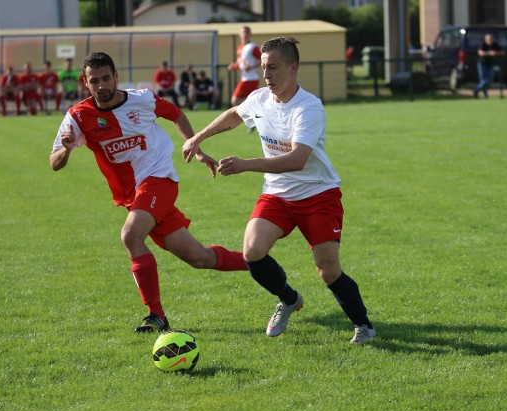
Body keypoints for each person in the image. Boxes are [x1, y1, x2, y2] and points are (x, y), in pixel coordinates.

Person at [183, 37, 376, 344]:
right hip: (278, 194)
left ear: (293, 67)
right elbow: (234, 114)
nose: (266, 75)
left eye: (273, 67)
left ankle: (364, 325)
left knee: (327, 270)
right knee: (252, 252)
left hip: (318, 195)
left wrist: (246, 164)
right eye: (263, 68)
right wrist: (198, 138)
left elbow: (298, 159)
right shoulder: (259, 99)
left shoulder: (309, 107)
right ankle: (288, 299)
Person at [49, 52, 248, 333]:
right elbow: (54, 163)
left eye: (107, 78)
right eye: (95, 81)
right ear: (86, 82)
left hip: (159, 179)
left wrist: (196, 147)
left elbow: (176, 114)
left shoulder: (142, 100)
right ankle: (258, 263)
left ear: (116, 76)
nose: (102, 85)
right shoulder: (78, 116)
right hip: (135, 197)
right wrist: (67, 150)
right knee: (199, 257)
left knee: (130, 235)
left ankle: (157, 316)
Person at [227, 26, 261, 107]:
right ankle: (252, 116)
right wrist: (234, 66)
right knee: (253, 102)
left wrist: (251, 66)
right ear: (240, 34)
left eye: (246, 32)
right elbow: (240, 62)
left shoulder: (253, 47)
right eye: (243, 32)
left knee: (234, 101)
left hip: (250, 79)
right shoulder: (240, 47)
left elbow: (261, 60)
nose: (244, 34)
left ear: (250, 34)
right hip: (245, 78)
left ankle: (245, 115)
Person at [473, 33, 504, 99]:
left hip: (490, 64)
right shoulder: (483, 44)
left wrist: (496, 52)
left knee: (489, 79)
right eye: (489, 39)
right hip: (482, 64)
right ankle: (485, 94)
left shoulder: (495, 45)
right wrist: (489, 53)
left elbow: (502, 52)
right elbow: (480, 53)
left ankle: (476, 90)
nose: (490, 40)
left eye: (491, 39)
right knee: (483, 80)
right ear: (486, 39)